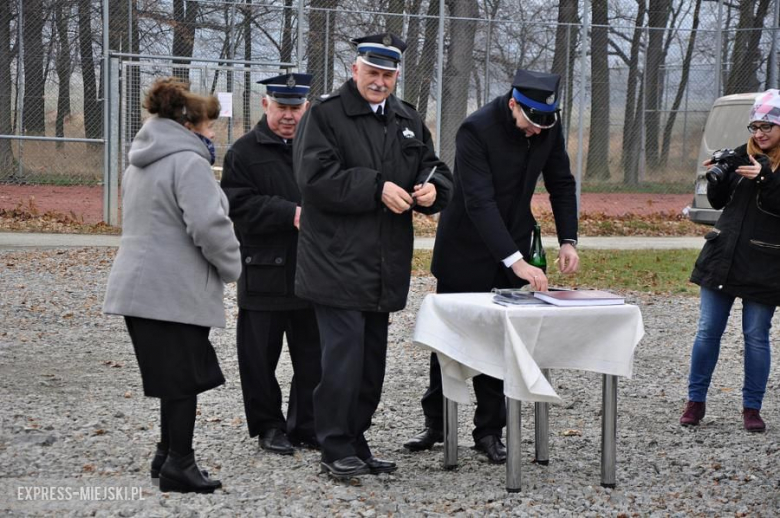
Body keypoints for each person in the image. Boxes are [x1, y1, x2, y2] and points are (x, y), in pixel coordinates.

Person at [293, 33, 453, 478]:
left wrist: (432, 190)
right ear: (354, 69)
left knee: (370, 364)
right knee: (342, 360)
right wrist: (375, 187)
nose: (379, 82)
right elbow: (315, 176)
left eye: (387, 75)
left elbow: (434, 166)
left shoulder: (406, 117)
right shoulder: (325, 115)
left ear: (397, 76)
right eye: (372, 73)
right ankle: (333, 445)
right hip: (335, 262)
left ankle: (355, 437)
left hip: (383, 264)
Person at [403, 69, 580, 463]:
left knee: (501, 342)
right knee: (449, 338)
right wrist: (516, 262)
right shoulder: (476, 129)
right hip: (465, 247)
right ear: (514, 103)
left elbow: (561, 182)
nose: (536, 131)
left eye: (544, 124)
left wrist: (568, 239)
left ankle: (489, 431)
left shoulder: (547, 126)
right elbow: (478, 202)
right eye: (530, 122)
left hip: (512, 241)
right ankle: (438, 422)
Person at [103, 77, 241, 493]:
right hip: (172, 290)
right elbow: (208, 225)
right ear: (187, 124)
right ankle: (179, 464)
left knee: (175, 376)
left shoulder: (140, 160)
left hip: (140, 288)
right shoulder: (188, 162)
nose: (212, 133)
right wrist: (233, 266)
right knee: (183, 381)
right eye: (208, 126)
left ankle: (165, 454)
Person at [220, 73, 321, 455]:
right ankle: (268, 426)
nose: (289, 116)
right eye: (282, 108)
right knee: (259, 359)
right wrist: (289, 213)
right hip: (264, 269)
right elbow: (237, 205)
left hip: (312, 271)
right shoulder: (244, 152)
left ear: (306, 107)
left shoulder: (318, 148)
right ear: (266, 105)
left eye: (296, 108)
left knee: (313, 357)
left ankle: (305, 425)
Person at [680, 89, 780, 433]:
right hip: (722, 256)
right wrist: (717, 177)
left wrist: (766, 177)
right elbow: (720, 201)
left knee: (755, 335)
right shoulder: (739, 156)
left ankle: (751, 408)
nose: (759, 133)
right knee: (708, 331)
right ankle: (695, 401)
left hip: (765, 264)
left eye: (767, 126)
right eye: (754, 126)